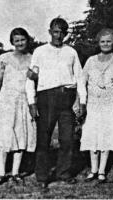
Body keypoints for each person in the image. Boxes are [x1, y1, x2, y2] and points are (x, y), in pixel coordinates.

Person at [26, 17, 87, 190]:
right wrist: (31, 102)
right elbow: (30, 78)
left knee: (67, 139)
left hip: (67, 97)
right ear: (50, 32)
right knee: (43, 139)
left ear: (66, 34)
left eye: (62, 32)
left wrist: (82, 102)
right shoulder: (39, 52)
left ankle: (63, 173)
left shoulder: (71, 52)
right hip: (46, 98)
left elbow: (80, 78)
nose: (58, 35)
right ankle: (42, 176)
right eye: (55, 31)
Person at [0, 27, 36, 185]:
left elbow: (34, 81)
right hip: (6, 100)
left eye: (23, 40)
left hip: (23, 101)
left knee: (21, 134)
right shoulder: (4, 57)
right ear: (12, 42)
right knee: (4, 135)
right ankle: (2, 172)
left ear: (27, 40)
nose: (20, 43)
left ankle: (16, 172)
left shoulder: (33, 58)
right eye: (16, 40)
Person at [80, 28, 113, 183]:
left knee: (106, 135)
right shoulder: (91, 60)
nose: (105, 44)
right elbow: (82, 80)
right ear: (98, 43)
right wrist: (83, 100)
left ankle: (101, 171)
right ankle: (92, 170)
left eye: (109, 41)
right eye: (102, 41)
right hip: (93, 102)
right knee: (93, 134)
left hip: (110, 101)